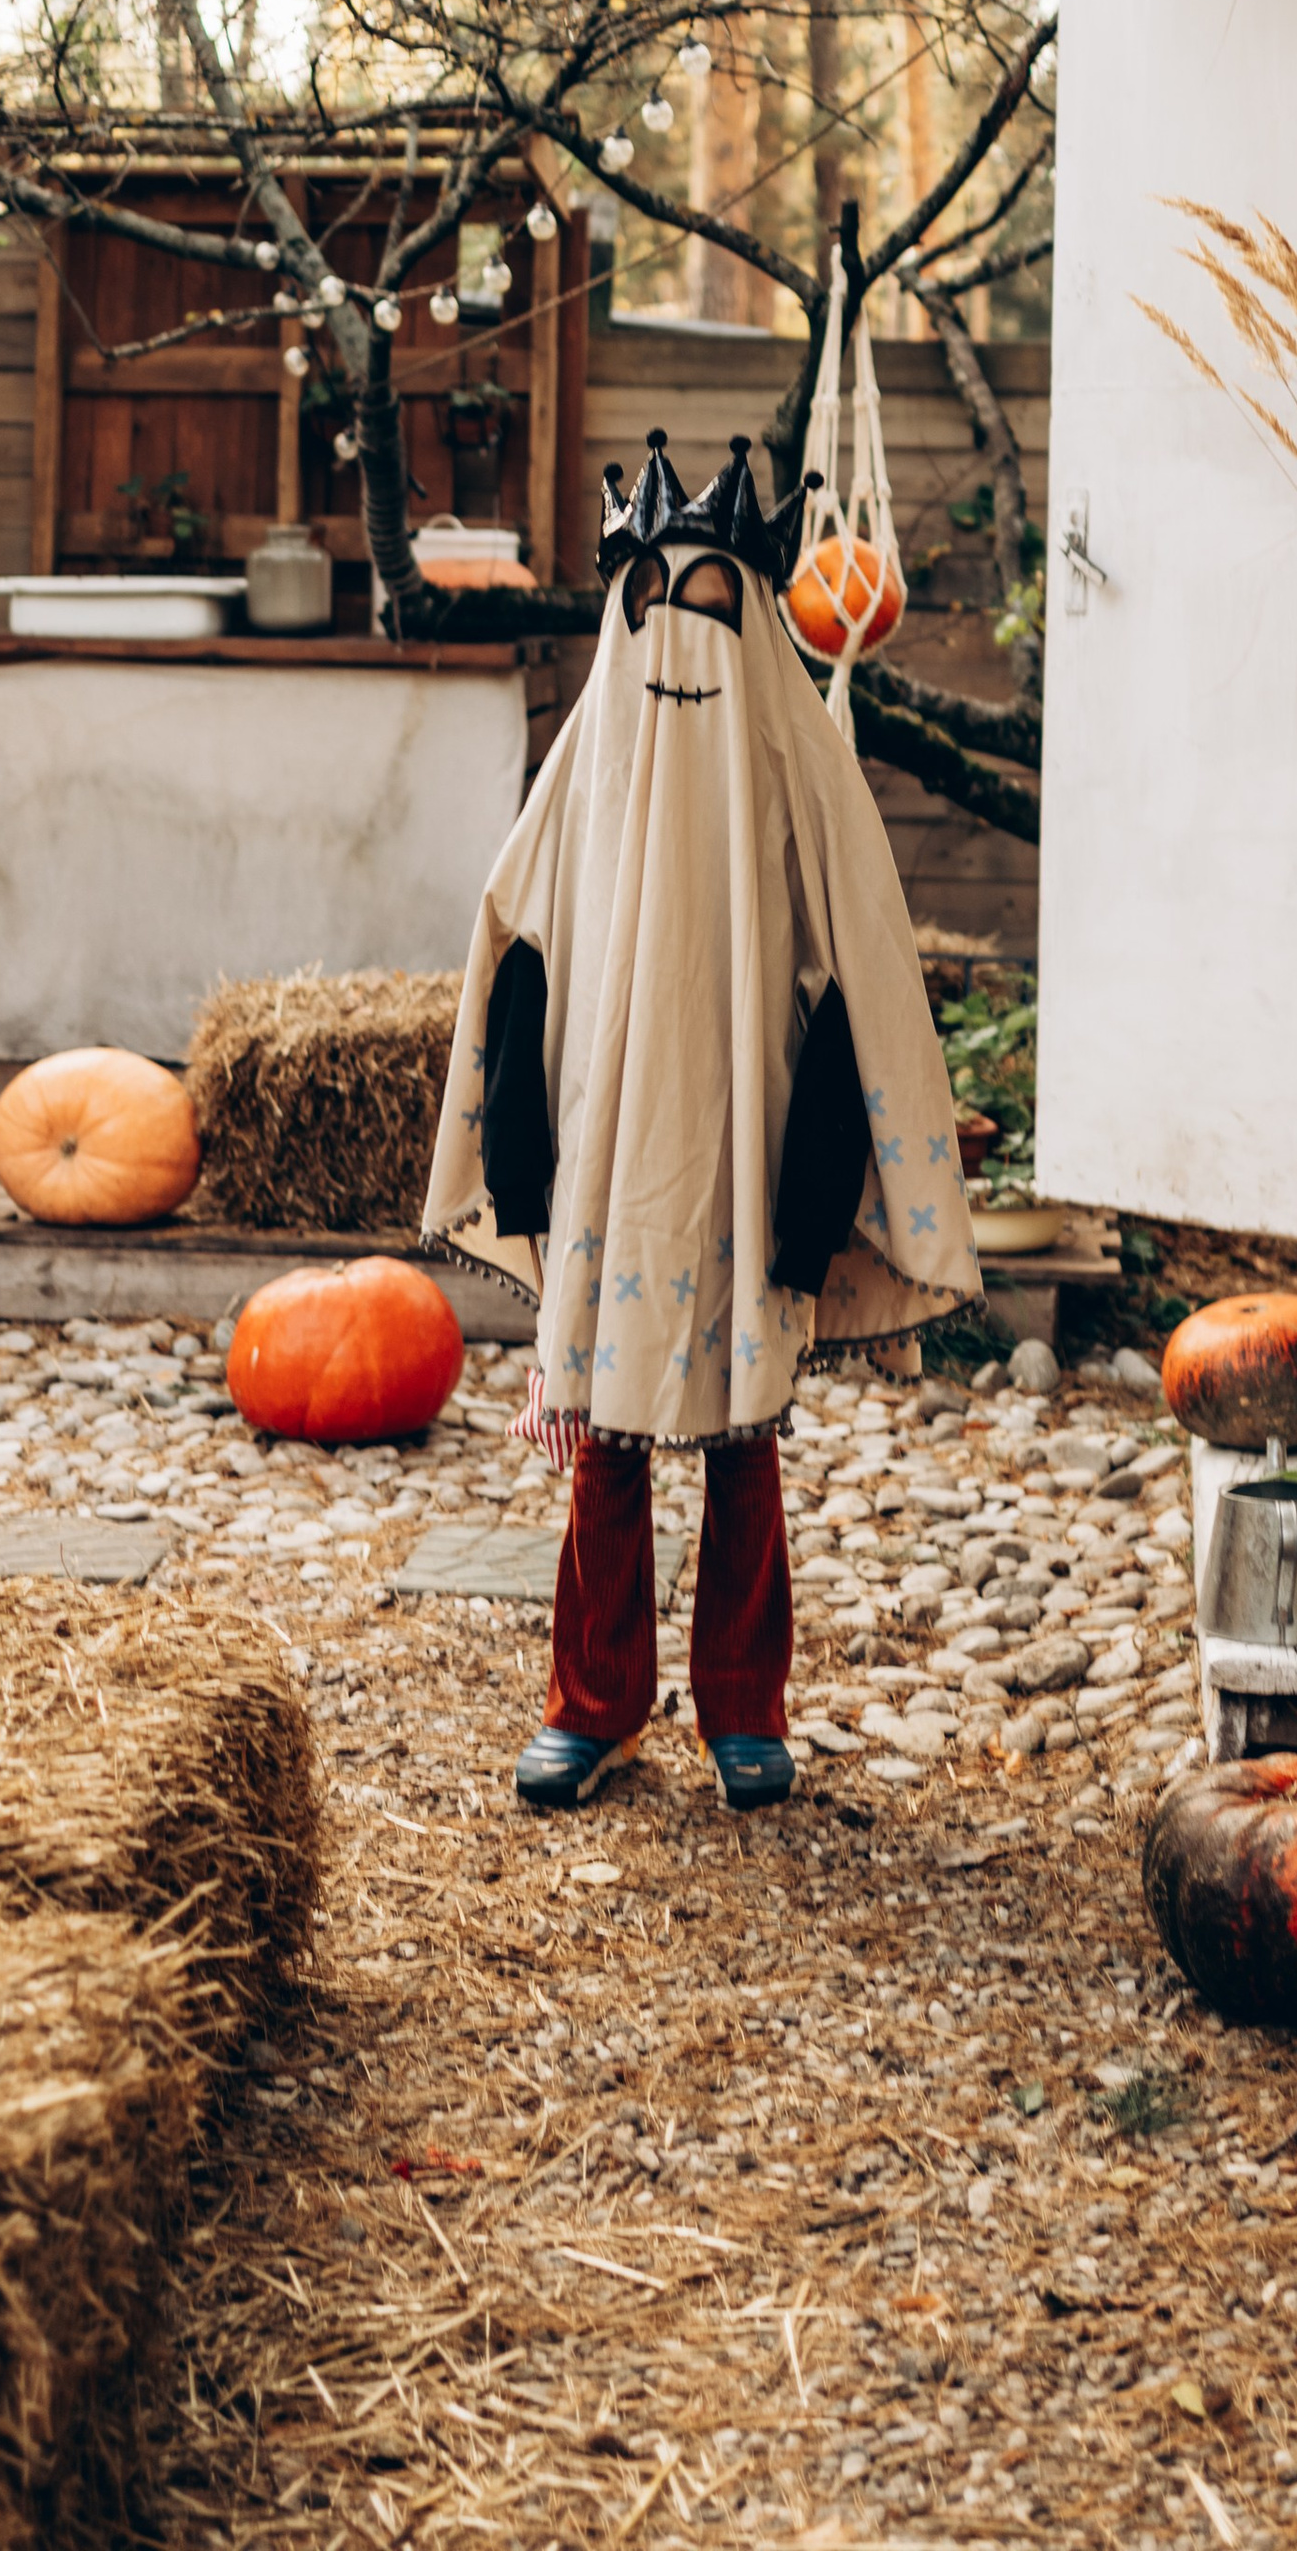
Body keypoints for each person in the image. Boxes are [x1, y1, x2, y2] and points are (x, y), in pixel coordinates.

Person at [423, 430, 982, 1811]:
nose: (675, 627)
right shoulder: (584, 765)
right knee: (608, 1430)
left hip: (747, 1140)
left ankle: (744, 1702)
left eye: (710, 600)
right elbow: (515, 943)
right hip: (613, 1151)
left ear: (755, 617)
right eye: (650, 597)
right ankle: (594, 1702)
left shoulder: (799, 765)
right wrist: (519, 1155)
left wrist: (841, 1178)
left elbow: (867, 959)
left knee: (744, 1436)